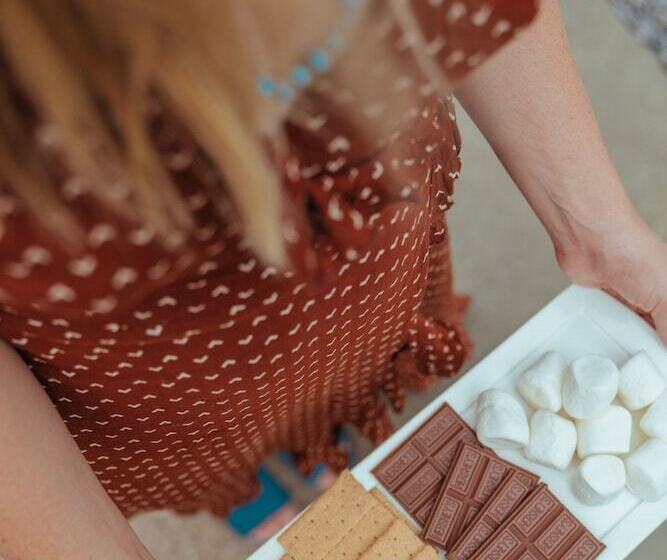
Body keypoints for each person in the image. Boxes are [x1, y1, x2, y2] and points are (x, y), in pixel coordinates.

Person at [0, 1, 664, 558]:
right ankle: (257, 487)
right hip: (152, 383)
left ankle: (330, 444)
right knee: (206, 456)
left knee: (364, 368)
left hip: (367, 275)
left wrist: (599, 233)